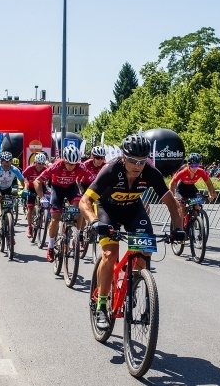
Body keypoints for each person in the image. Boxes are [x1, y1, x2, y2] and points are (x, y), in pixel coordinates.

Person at [79, 134, 185, 330]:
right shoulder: (111, 169)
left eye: (142, 161)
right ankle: (102, 305)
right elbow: (84, 201)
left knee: (144, 252)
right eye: (133, 161)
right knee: (110, 254)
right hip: (107, 210)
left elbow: (172, 203)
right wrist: (94, 221)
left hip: (133, 210)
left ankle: (132, 285)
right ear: (123, 157)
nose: (138, 166)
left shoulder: (151, 173)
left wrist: (178, 229)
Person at [34, 145, 90, 262]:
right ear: (64, 160)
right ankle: (50, 247)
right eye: (69, 163)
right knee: (55, 218)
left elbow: (94, 180)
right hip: (57, 189)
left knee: (79, 209)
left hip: (71, 188)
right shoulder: (56, 165)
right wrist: (42, 197)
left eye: (74, 164)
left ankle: (77, 236)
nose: (71, 166)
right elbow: (37, 181)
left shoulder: (80, 166)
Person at [169, 152, 217, 225]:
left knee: (196, 207)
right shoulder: (183, 172)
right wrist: (172, 196)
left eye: (197, 165)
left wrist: (211, 194)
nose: (195, 168)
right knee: (182, 210)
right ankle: (181, 227)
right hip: (181, 189)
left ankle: (194, 223)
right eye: (193, 165)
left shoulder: (201, 171)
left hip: (191, 188)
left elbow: (208, 183)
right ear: (188, 165)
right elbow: (172, 184)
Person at [0, 151, 25, 229]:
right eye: (4, 163)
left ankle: (9, 216)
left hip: (8, 188)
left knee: (14, 196)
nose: (6, 164)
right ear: (1, 161)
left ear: (11, 161)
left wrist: (25, 190)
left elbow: (23, 181)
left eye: (8, 162)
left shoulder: (15, 169)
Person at [21, 152, 49, 238]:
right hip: (31, 188)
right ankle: (29, 226)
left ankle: (43, 214)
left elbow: (50, 178)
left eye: (42, 164)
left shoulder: (45, 168)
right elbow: (23, 176)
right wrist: (26, 183)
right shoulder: (30, 168)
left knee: (47, 201)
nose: (40, 165)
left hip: (42, 187)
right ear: (35, 162)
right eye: (38, 163)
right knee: (30, 208)